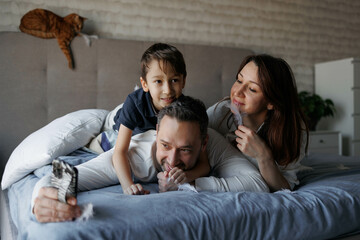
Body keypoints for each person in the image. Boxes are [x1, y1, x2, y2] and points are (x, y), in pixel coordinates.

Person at [32, 96, 269, 222]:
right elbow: (63, 176)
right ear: (157, 132)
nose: (173, 159)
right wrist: (42, 200)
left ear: (203, 143)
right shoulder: (135, 157)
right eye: (165, 145)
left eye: (185, 150)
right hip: (116, 128)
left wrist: (188, 184)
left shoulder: (213, 141)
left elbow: (257, 184)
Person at [109, 43, 209, 195]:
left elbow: (204, 164)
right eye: (158, 81)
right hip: (121, 121)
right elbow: (119, 152)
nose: (168, 90)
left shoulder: (186, 110)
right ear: (145, 84)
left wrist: (187, 176)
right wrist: (127, 185)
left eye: (174, 80)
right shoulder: (134, 103)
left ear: (183, 80)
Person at [206, 54, 309, 192]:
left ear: (271, 102)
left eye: (252, 89)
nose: (238, 92)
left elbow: (283, 188)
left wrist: (264, 156)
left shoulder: (292, 130)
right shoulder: (219, 113)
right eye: (239, 80)